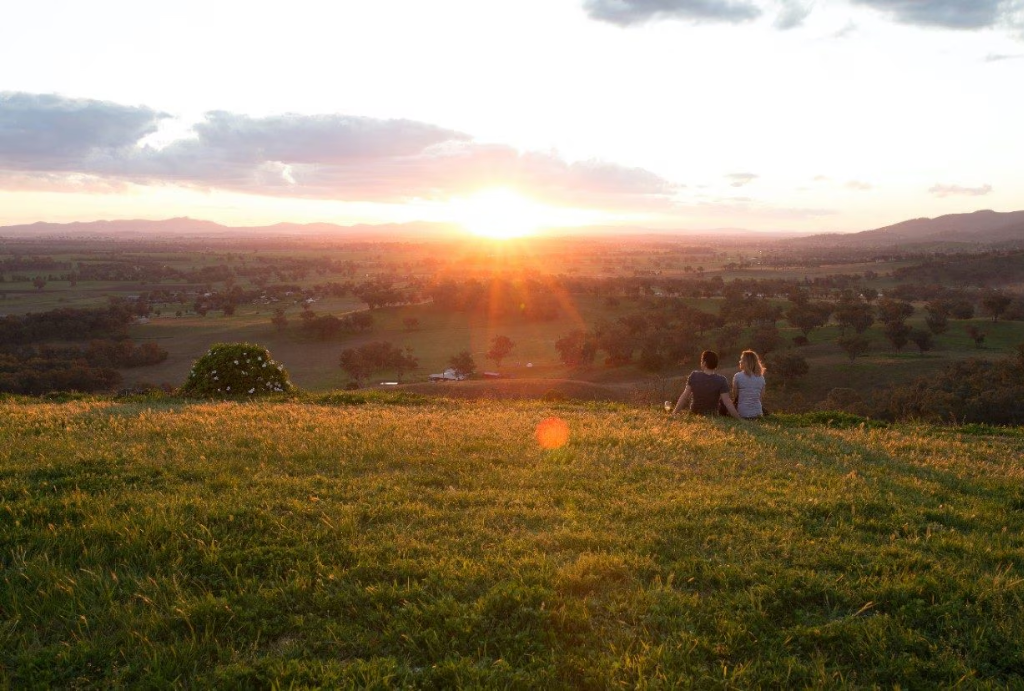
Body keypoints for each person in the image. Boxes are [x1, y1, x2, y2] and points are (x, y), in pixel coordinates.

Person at [671, 350, 741, 419]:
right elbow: (727, 402)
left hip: (695, 413)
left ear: (704, 363)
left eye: (701, 361)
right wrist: (739, 419)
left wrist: (675, 412)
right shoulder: (721, 380)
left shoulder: (694, 375)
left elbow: (684, 396)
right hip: (713, 416)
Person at [732, 349, 767, 419]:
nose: (740, 361)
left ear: (746, 362)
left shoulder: (738, 376)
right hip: (758, 413)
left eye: (741, 359)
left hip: (742, 413)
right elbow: (760, 398)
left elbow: (735, 395)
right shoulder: (761, 378)